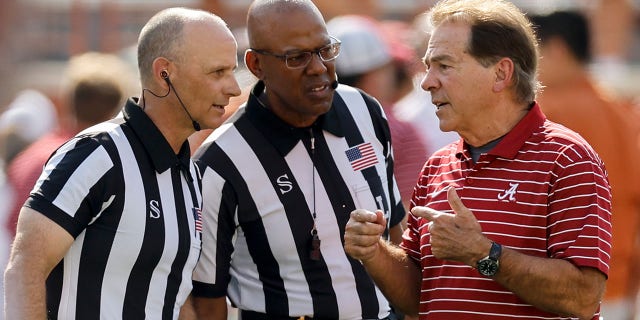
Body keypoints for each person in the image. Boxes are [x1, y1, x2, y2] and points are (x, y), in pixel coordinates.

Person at [343, 1, 612, 319]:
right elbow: (420, 297)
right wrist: (375, 251)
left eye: (444, 66)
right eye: (429, 66)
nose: (427, 82)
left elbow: (583, 297)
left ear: (501, 73)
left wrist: (484, 253)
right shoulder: (437, 165)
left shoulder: (568, 159)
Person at [3, 7, 241, 319]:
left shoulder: (190, 175)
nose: (234, 88)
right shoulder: (96, 154)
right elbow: (25, 267)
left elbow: (172, 293)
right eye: (217, 72)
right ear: (164, 73)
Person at [190, 0, 405, 319]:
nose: (318, 66)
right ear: (256, 65)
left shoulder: (364, 110)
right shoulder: (220, 162)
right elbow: (207, 299)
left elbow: (397, 234)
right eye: (297, 57)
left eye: (324, 49)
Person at [531, 10, 640, 320]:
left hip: (555, 288)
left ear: (556, 49)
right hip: (616, 286)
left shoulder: (544, 114)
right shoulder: (619, 110)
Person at [4, 52, 132, 239]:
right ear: (115, 110)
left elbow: (10, 225)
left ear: (69, 102)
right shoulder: (101, 164)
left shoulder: (33, 153)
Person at [327, 14, 429, 210]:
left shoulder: (309, 126)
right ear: (373, 75)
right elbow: (416, 210)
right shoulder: (396, 127)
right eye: (386, 67)